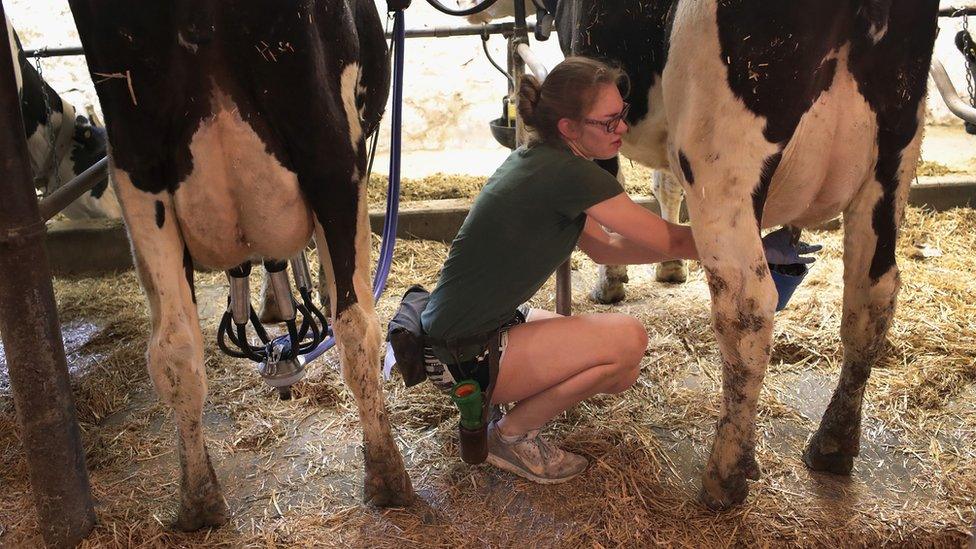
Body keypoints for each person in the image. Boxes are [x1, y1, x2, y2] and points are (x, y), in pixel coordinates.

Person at [418, 56, 700, 484]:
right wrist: (749, 245)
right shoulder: (572, 176)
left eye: (622, 114)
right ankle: (510, 437)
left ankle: (509, 406)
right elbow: (673, 242)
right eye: (609, 122)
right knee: (629, 339)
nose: (623, 128)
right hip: (465, 353)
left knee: (624, 368)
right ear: (569, 128)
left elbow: (605, 250)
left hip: (457, 337)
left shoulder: (542, 158)